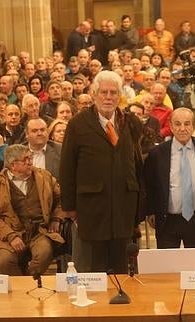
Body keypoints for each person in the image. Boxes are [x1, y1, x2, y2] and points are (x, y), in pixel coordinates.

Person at [60, 70, 142, 273]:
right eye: (103, 92)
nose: (108, 97)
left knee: (122, 270)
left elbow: (138, 165)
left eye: (113, 92)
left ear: (120, 95)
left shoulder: (130, 122)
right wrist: (70, 208)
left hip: (124, 206)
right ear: (94, 93)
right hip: (91, 209)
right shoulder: (77, 124)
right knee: (93, 271)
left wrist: (139, 207)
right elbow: (67, 168)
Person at [144, 108, 195, 248]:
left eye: (187, 124)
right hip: (167, 219)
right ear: (171, 126)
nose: (182, 128)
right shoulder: (157, 153)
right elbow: (149, 184)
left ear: (193, 125)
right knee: (168, 266)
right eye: (177, 124)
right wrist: (150, 210)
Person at [0, 144, 64, 276]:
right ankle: (20, 289)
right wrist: (11, 236)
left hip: (40, 232)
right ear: (12, 165)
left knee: (44, 254)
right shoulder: (0, 183)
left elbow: (61, 199)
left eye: (30, 158)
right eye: (25, 160)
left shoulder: (44, 176)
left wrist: (56, 218)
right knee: (4, 261)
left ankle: (29, 281)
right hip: (10, 233)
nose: (30, 162)